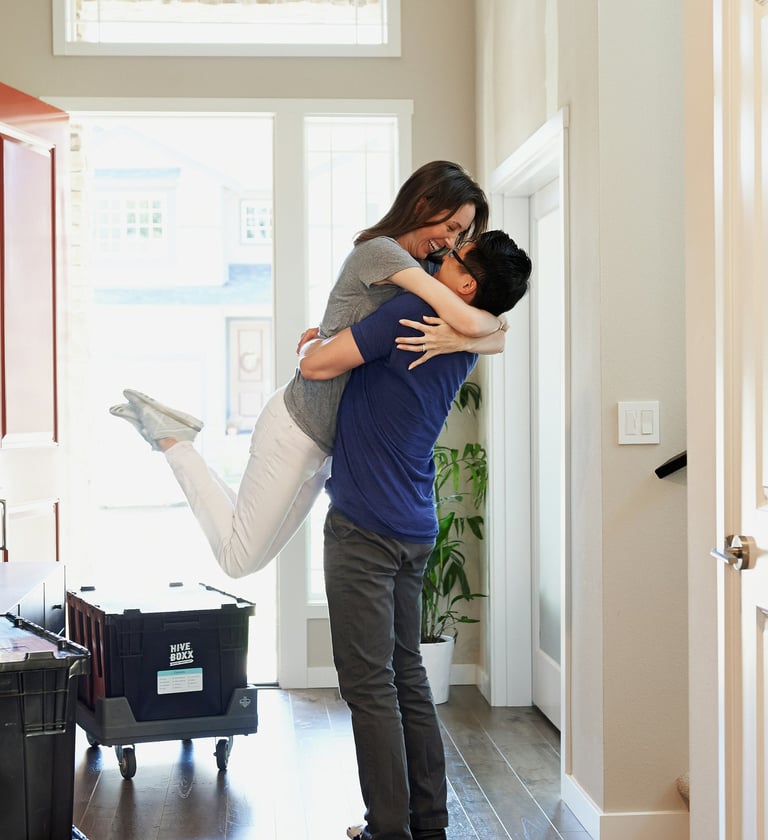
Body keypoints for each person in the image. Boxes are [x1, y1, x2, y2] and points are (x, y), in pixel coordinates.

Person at [110, 161, 508, 578]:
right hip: (296, 427)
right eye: (451, 227)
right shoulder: (381, 253)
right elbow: (469, 315)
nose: (451, 240)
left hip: (325, 449)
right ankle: (174, 440)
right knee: (236, 560)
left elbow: (498, 333)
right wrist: (470, 330)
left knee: (249, 552)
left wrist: (465, 338)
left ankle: (176, 435)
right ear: (424, 203)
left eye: (460, 235)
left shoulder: (427, 266)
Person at [298, 230, 532, 840]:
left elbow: (318, 364)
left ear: (466, 284)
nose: (439, 257)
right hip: (412, 523)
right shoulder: (473, 336)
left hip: (364, 525)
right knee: (406, 677)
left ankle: (388, 832)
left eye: (452, 256)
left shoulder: (416, 310)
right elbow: (491, 329)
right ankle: (427, 825)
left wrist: (311, 347)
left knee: (369, 685)